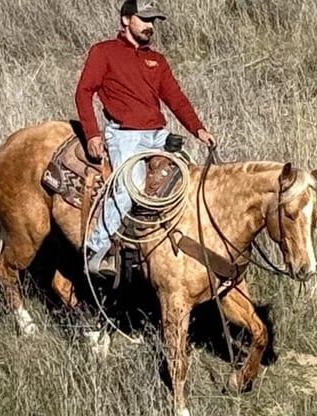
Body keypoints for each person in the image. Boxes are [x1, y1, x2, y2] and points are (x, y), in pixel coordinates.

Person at [75, 0, 217, 277]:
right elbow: (83, 92)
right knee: (131, 188)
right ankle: (96, 249)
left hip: (157, 134)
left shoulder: (157, 61)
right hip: (125, 135)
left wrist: (198, 129)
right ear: (126, 19)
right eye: (144, 19)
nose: (150, 26)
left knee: (187, 182)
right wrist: (92, 134)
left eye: (153, 21)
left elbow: (175, 98)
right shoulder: (104, 52)